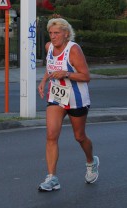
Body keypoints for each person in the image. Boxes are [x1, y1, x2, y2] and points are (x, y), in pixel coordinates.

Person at [37, 17, 99, 191]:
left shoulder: (74, 50)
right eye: (50, 33)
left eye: (56, 33)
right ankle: (52, 178)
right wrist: (44, 81)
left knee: (79, 136)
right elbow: (50, 67)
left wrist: (66, 74)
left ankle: (91, 161)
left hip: (76, 98)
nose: (53, 36)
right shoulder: (49, 47)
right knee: (51, 135)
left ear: (66, 33)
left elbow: (86, 76)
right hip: (56, 97)